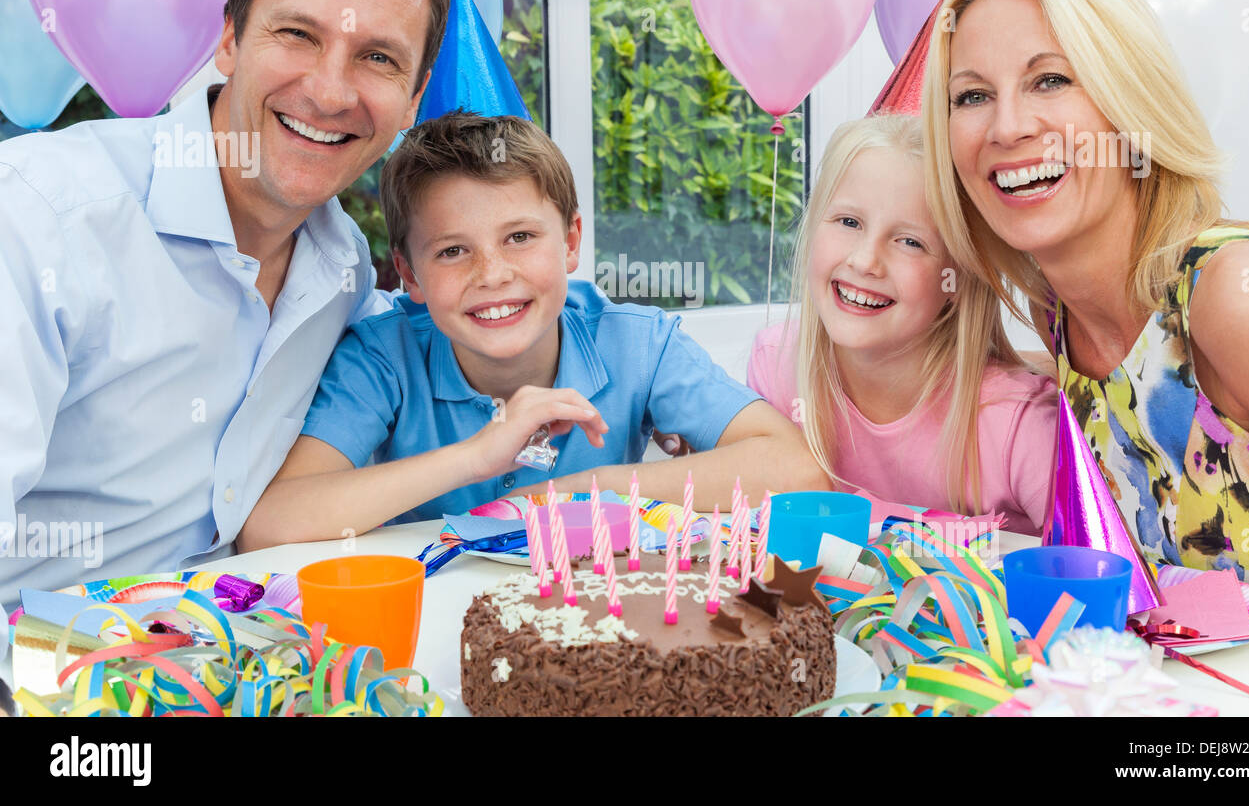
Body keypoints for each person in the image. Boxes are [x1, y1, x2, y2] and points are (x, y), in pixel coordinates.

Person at [0, 0, 453, 609]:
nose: (331, 92)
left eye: (377, 57)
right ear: (230, 40)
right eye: (297, 35)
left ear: (414, 96)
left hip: (233, 658)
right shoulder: (41, 219)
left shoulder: (341, 266)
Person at [238, 111, 826, 549]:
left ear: (571, 241)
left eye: (519, 237)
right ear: (410, 275)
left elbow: (798, 468)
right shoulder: (383, 356)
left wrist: (577, 491)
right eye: (451, 251)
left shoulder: (637, 343)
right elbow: (269, 524)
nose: (492, 275)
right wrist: (476, 457)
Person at [922, 0, 1249, 602]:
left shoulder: (1242, 298)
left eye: (1050, 80)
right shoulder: (1058, 318)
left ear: (1129, 103)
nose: (1008, 127)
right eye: (973, 95)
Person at [747, 114, 1057, 535]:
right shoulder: (777, 368)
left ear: (959, 278)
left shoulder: (1017, 425)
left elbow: (1104, 576)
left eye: (910, 242)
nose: (865, 261)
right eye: (848, 222)